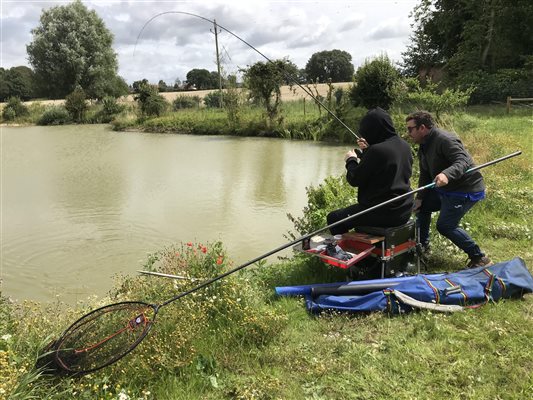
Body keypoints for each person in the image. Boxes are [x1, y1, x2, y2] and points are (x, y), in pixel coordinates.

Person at [405, 110, 492, 268]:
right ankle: (423, 247)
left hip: (465, 189)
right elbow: (425, 174)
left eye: (410, 129)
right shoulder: (424, 146)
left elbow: (462, 160)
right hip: (446, 189)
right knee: (422, 207)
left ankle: (479, 257)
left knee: (445, 226)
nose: (408, 133)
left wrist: (447, 174)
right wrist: (420, 198)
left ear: (422, 128)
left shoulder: (445, 139)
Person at [326, 107, 413, 235]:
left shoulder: (377, 151)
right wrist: (367, 151)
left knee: (334, 218)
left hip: (382, 212)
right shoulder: (404, 145)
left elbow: (354, 179)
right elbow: (383, 165)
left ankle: (344, 251)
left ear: (374, 130)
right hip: (404, 209)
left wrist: (351, 160)